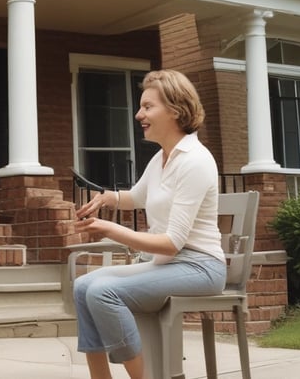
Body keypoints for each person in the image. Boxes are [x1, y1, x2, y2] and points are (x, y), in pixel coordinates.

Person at [72, 69, 226, 379]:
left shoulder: (195, 160)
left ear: (175, 110)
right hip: (169, 264)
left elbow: (173, 242)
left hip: (200, 267)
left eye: (147, 106)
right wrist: (105, 199)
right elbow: (135, 197)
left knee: (103, 292)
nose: (138, 114)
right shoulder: (161, 158)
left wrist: (112, 231)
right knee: (82, 285)